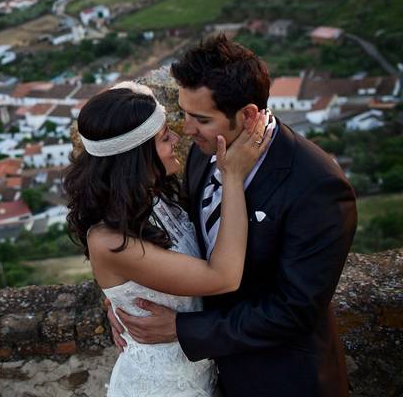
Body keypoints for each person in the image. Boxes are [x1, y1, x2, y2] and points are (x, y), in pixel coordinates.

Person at [109, 35, 358, 397]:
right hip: (208, 375)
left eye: (200, 118)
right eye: (183, 113)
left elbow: (294, 310)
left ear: (248, 115)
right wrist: (121, 295)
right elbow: (177, 235)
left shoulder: (316, 185)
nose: (186, 129)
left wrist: (182, 328)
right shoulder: (202, 150)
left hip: (280, 380)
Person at [64, 80, 270, 397]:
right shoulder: (108, 239)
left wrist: (117, 301)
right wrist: (232, 175)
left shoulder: (155, 198)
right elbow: (224, 276)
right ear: (135, 156)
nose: (177, 138)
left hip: (201, 372)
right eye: (164, 138)